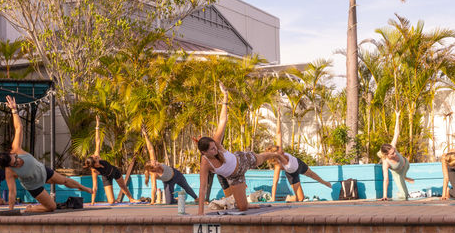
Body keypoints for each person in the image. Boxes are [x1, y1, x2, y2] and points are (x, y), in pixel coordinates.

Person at [196, 83, 282, 215]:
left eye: (215, 147)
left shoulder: (216, 142)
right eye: (212, 150)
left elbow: (223, 121)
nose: (215, 150)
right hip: (234, 177)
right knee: (242, 208)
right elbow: (203, 188)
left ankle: (273, 154)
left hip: (242, 160)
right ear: (204, 153)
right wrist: (200, 212)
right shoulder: (205, 163)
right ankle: (248, 204)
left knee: (261, 158)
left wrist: (225, 97)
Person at [0, 96, 93, 212]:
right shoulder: (10, 172)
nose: (18, 162)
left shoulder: (16, 148)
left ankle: (84, 188)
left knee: (65, 180)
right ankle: (30, 209)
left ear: (12, 154)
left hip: (42, 171)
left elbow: (19, 128)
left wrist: (14, 110)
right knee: (51, 207)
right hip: (34, 186)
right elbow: (12, 192)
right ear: (10, 166)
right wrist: (11, 211)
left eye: (16, 159)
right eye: (15, 164)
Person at [267, 114, 331, 202]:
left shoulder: (280, 149)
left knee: (312, 174)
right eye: (279, 152)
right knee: (300, 198)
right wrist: (273, 199)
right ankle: (289, 198)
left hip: (298, 163)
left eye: (279, 150)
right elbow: (275, 182)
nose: (281, 151)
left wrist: (278, 118)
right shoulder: (278, 165)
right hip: (292, 175)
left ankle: (325, 182)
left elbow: (278, 133)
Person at [84, 115, 138, 205]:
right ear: (94, 164)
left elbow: (97, 140)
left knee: (123, 186)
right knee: (111, 201)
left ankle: (131, 199)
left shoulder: (97, 156)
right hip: (106, 178)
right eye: (95, 159)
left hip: (114, 170)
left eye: (94, 157)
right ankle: (116, 199)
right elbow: (95, 186)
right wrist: (92, 202)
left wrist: (97, 125)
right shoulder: (94, 171)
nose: (95, 156)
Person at [142, 128, 198, 204]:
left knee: (186, 187)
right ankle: (176, 200)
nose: (156, 162)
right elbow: (154, 188)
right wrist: (152, 201)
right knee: (169, 202)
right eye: (155, 163)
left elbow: (150, 149)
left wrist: (145, 136)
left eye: (155, 161)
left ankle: (196, 198)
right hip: (168, 182)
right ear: (153, 169)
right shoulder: (153, 174)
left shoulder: (154, 161)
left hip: (176, 175)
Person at [377, 111, 415, 200]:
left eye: (394, 151)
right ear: (386, 155)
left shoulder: (392, 146)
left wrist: (397, 117)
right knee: (404, 195)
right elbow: (386, 179)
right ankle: (403, 178)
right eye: (392, 154)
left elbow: (396, 133)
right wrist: (385, 196)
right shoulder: (385, 163)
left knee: (404, 175)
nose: (395, 154)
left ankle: (405, 177)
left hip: (406, 164)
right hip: (397, 173)